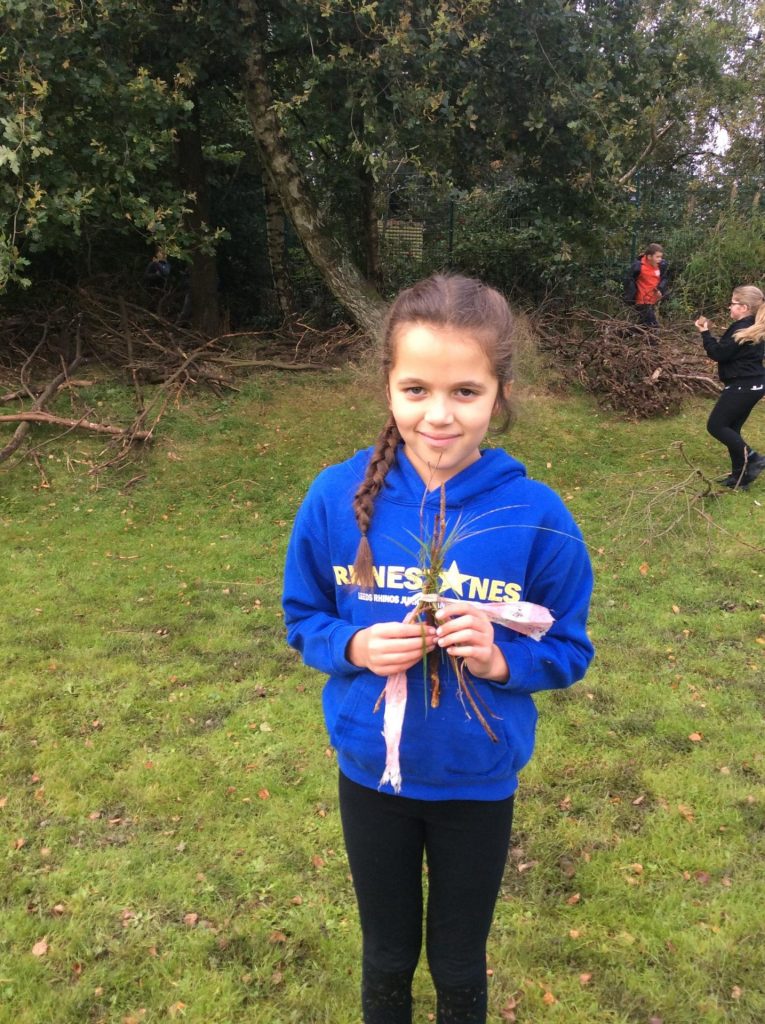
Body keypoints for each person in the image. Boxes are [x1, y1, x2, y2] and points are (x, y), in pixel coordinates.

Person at [282, 274, 595, 1024]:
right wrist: (355, 645)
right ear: (388, 387)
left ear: (500, 394)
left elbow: (569, 646)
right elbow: (304, 618)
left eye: (465, 392)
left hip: (476, 783)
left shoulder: (537, 516)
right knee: (387, 954)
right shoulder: (334, 498)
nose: (439, 415)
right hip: (372, 777)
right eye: (416, 389)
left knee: (457, 961)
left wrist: (500, 660)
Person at [694, 286, 765, 489]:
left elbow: (718, 354)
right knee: (732, 428)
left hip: (743, 385)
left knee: (716, 426)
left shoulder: (742, 328)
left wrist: (705, 332)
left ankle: (754, 459)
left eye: (732, 303)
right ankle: (740, 477)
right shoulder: (755, 326)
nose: (729, 307)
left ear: (744, 307)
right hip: (754, 383)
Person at [624, 243, 669, 328]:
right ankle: (652, 338)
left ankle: (625, 332)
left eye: (661, 257)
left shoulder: (661, 266)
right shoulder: (639, 266)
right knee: (653, 325)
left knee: (644, 326)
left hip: (653, 299)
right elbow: (629, 281)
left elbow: (664, 279)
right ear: (649, 257)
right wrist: (630, 297)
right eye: (657, 257)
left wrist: (660, 289)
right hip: (642, 301)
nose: (660, 259)